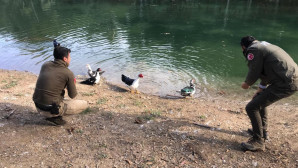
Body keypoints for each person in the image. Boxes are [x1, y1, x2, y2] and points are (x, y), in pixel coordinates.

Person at [239, 36, 298, 151]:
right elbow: (266, 71)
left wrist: (247, 83)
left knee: (251, 107)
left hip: (286, 83)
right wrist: (260, 90)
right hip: (289, 79)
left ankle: (258, 141)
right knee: (259, 100)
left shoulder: (252, 50)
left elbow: (254, 70)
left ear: (243, 47)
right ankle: (262, 131)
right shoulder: (263, 45)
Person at [33, 40, 88, 125]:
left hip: (38, 106)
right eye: (69, 57)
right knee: (84, 104)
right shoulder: (68, 73)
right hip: (51, 109)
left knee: (54, 95)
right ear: (65, 59)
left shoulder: (45, 65)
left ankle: (52, 114)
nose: (70, 59)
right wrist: (73, 83)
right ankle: (55, 117)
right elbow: (72, 95)